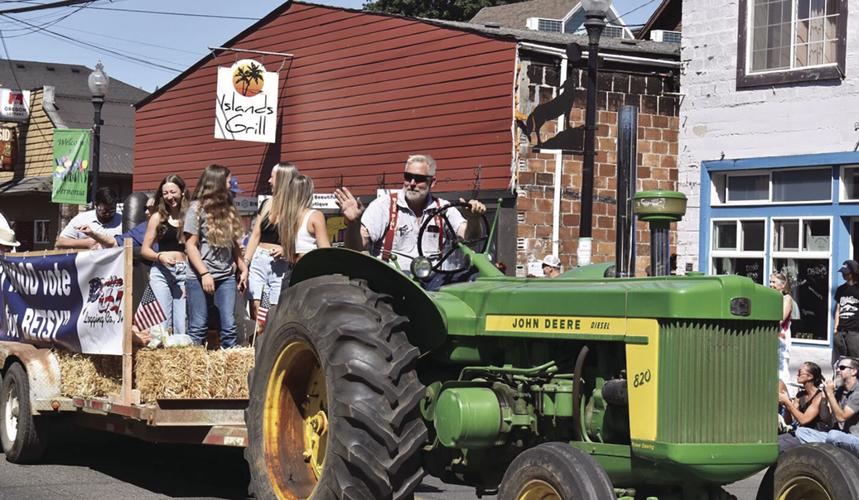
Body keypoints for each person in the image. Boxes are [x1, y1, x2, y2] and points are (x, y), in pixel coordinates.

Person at [334, 154, 486, 272]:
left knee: (471, 276)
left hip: (433, 280)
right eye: (408, 177)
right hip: (391, 279)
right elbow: (357, 248)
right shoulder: (383, 206)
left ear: (432, 182)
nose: (412, 183)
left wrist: (473, 219)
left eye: (419, 179)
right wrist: (353, 224)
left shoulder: (444, 208)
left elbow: (470, 242)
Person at [184, 165, 248, 349]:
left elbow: (235, 244)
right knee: (198, 325)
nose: (230, 185)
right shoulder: (196, 209)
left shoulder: (229, 209)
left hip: (225, 275)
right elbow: (190, 245)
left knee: (229, 325)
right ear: (217, 183)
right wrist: (204, 274)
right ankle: (193, 369)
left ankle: (229, 369)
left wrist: (243, 268)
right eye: (228, 181)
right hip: (199, 275)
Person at [243, 162, 297, 319]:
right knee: (256, 307)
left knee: (273, 310)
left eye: (272, 177)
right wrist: (245, 263)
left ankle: (267, 339)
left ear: (282, 179)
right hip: (260, 261)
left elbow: (300, 238)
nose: (269, 181)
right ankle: (257, 340)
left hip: (280, 265)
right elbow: (255, 235)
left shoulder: (295, 207)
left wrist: (286, 249)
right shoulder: (267, 204)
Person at [141, 175, 188, 336]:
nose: (169, 197)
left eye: (173, 192)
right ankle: (162, 349)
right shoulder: (157, 217)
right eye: (165, 193)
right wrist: (159, 256)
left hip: (184, 271)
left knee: (182, 322)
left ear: (182, 192)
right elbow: (145, 249)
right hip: (162, 271)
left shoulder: (191, 216)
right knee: (162, 323)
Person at [795, 357, 859, 456]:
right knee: (801, 431)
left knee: (833, 435)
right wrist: (824, 399)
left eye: (842, 368)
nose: (837, 370)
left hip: (855, 439)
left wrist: (830, 394)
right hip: (839, 437)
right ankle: (828, 455)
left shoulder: (857, 392)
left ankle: (829, 454)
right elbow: (827, 419)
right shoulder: (840, 391)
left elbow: (841, 417)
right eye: (837, 367)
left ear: (854, 371)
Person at [56, 187, 123, 249]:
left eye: (112, 210)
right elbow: (60, 242)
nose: (108, 214)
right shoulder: (81, 219)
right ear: (96, 205)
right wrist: (86, 243)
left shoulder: (123, 221)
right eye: (104, 211)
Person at [779, 362, 826, 430]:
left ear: (810, 376)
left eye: (800, 372)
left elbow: (803, 420)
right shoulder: (800, 395)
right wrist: (786, 405)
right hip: (802, 432)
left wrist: (787, 403)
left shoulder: (819, 396)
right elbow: (789, 421)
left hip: (816, 433)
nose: (797, 374)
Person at [770, 272, 798, 385]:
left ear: (782, 285)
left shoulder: (787, 298)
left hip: (781, 335)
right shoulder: (771, 297)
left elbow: (781, 318)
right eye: (770, 282)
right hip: (771, 335)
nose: (771, 284)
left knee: (781, 368)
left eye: (774, 282)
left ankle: (785, 396)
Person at [834, 260, 859, 362]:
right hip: (840, 331)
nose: (843, 274)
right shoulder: (841, 289)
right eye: (842, 272)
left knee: (855, 361)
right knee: (841, 360)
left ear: (852, 273)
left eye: (845, 272)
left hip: (855, 331)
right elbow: (838, 309)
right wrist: (835, 329)